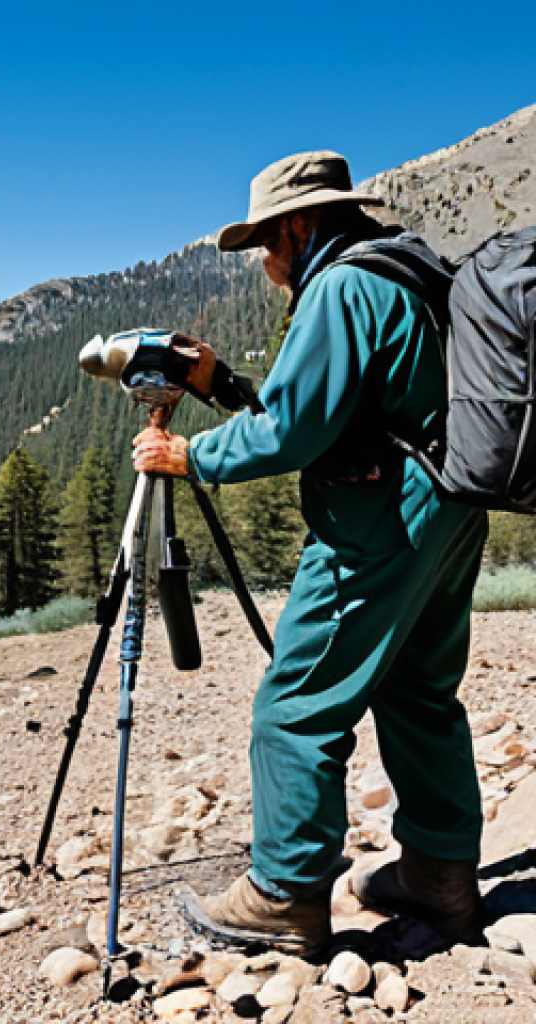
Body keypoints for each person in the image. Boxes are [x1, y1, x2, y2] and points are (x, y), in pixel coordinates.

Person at [132, 151, 488, 955]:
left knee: (295, 706)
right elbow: (339, 404)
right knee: (419, 695)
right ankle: (443, 881)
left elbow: (296, 432)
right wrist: (221, 385)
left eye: (264, 241)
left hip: (378, 519)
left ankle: (284, 895)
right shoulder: (406, 273)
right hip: (452, 508)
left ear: (299, 224)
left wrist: (192, 457)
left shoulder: (339, 287)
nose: (262, 261)